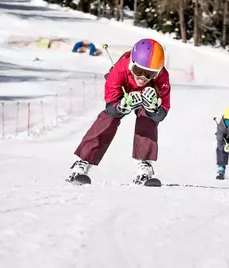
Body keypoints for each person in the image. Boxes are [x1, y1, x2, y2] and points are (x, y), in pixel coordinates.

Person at [68, 38, 171, 184]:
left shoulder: (162, 77)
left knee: (147, 117)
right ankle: (83, 162)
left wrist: (153, 109)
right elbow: (110, 108)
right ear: (132, 64)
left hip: (149, 95)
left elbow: (162, 114)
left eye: (150, 74)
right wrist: (121, 107)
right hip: (124, 92)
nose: (142, 78)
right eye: (139, 71)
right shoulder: (119, 70)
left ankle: (145, 165)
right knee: (107, 119)